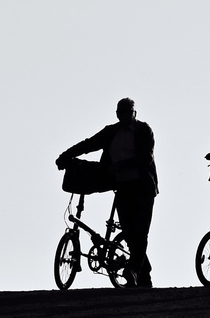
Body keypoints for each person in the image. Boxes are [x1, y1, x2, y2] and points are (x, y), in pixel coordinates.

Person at [57, 98, 158, 288]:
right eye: (121, 113)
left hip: (143, 187)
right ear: (117, 114)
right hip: (123, 186)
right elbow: (88, 145)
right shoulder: (112, 132)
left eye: (129, 112)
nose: (125, 116)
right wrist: (66, 156)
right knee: (129, 233)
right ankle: (144, 276)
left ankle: (134, 270)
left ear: (134, 113)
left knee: (140, 231)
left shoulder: (144, 130)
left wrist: (119, 166)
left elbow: (146, 158)